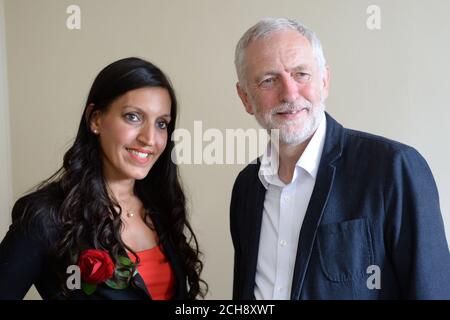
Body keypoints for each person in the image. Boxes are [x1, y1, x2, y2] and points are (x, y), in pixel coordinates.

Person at [230, 18, 450, 300]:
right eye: (269, 80)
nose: (289, 93)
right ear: (245, 97)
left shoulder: (394, 168)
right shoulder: (246, 187)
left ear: (324, 80)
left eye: (301, 74)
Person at [0, 57, 207, 300]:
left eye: (162, 123)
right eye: (133, 117)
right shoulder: (45, 216)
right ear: (95, 119)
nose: (150, 138)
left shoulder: (162, 205)